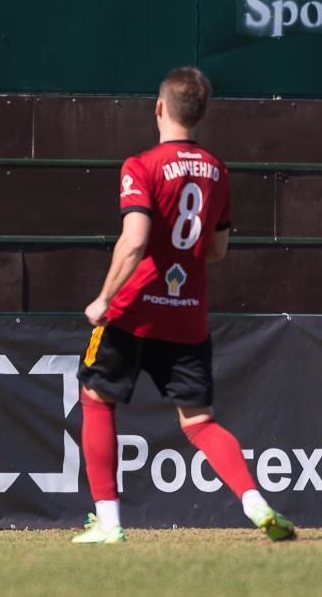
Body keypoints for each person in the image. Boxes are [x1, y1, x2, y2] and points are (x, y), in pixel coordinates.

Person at [75, 67, 295, 544]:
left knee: (96, 398)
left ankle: (108, 523)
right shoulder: (218, 170)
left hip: (133, 310)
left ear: (159, 108)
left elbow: (134, 241)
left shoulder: (141, 165)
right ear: (202, 115)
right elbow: (216, 251)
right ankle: (255, 503)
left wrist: (104, 298)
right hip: (188, 313)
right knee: (199, 422)